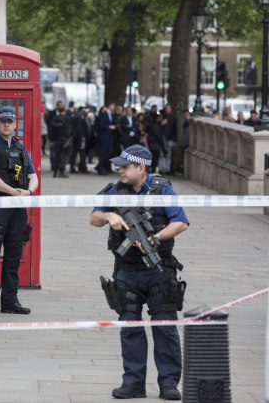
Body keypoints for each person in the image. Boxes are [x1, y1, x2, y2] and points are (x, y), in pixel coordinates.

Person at [89, 145, 189, 400]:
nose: (119, 170)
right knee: (130, 328)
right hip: (126, 270)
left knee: (165, 327)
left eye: (125, 166)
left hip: (159, 269)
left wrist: (155, 238)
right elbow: (93, 217)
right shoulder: (115, 189)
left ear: (141, 168)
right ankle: (133, 383)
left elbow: (181, 222)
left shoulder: (162, 189)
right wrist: (109, 215)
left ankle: (168, 383)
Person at [0, 106, 39, 316]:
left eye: (10, 121)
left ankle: (10, 301)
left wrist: (28, 192)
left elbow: (33, 175)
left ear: (15, 124)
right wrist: (13, 192)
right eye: (2, 121)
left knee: (14, 255)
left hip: (18, 208)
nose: (6, 124)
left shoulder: (21, 149)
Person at [48, 103, 70, 178]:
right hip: (63, 140)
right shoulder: (66, 119)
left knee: (56, 156)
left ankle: (55, 172)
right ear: (64, 110)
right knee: (62, 156)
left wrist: (51, 140)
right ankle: (61, 172)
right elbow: (67, 131)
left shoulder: (54, 119)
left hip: (55, 140)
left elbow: (51, 131)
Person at [96, 103, 116, 175]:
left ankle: (104, 166)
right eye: (113, 105)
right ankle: (100, 168)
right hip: (104, 136)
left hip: (109, 136)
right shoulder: (103, 114)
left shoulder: (111, 114)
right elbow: (100, 124)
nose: (114, 107)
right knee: (102, 153)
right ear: (110, 105)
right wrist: (109, 127)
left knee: (109, 152)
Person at [69, 106, 90, 174]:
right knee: (82, 154)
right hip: (80, 139)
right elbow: (80, 127)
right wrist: (82, 136)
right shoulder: (80, 117)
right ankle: (83, 168)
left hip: (76, 138)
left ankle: (73, 167)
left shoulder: (76, 116)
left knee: (74, 153)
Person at [159, 104, 177, 175]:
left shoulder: (172, 118)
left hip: (170, 138)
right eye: (166, 108)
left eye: (168, 108)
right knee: (161, 154)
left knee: (168, 155)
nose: (167, 110)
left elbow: (175, 129)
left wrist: (175, 140)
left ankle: (167, 169)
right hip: (162, 138)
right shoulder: (162, 117)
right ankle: (161, 169)